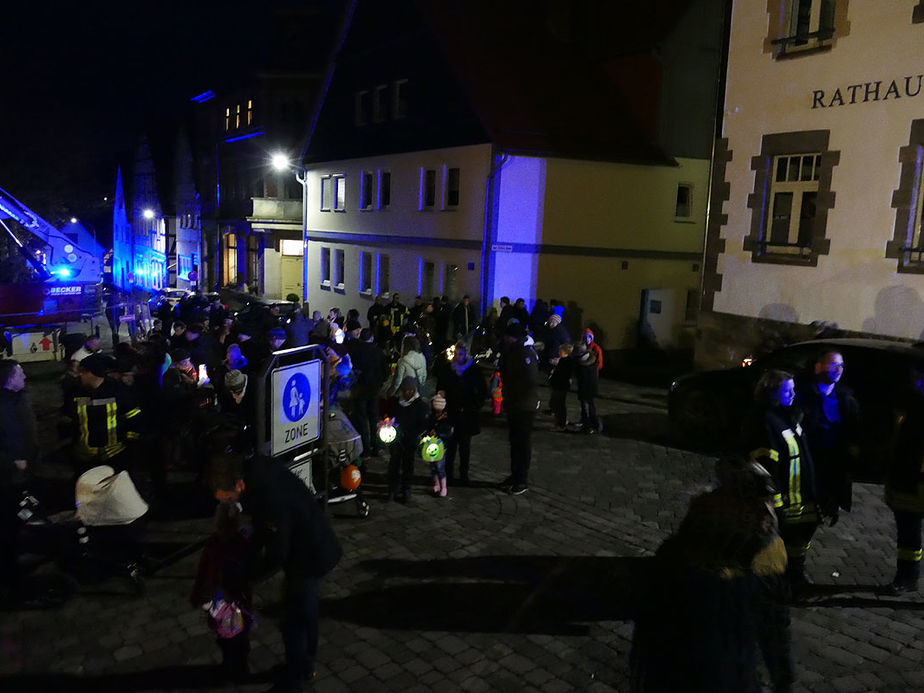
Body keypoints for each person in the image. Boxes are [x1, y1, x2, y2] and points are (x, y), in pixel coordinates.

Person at [630, 456, 792, 692]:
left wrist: (783, 674)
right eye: (754, 504)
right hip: (689, 674)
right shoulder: (685, 552)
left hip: (730, 673)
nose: (765, 513)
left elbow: (775, 622)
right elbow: (651, 623)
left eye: (766, 503)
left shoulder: (767, 553)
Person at [208, 452, 342, 692]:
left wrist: (247, 578)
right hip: (310, 545)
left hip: (310, 557)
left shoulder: (271, 499)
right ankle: (304, 665)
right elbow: (263, 533)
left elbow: (276, 553)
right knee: (306, 613)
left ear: (239, 485)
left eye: (227, 497)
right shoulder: (261, 476)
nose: (227, 503)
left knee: (294, 621)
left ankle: (294, 681)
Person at [743, 369, 820, 596]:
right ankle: (778, 584)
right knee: (778, 544)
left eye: (794, 389)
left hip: (798, 497)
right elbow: (765, 466)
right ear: (772, 392)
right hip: (782, 500)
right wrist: (774, 501)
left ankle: (796, 577)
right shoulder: (764, 421)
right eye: (788, 391)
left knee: (799, 539)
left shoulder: (786, 415)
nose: (793, 395)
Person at [190, 502, 254, 683]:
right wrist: (197, 594)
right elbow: (203, 572)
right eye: (221, 527)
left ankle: (240, 666)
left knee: (239, 638)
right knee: (225, 637)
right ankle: (230, 663)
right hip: (219, 601)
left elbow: (249, 574)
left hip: (236, 601)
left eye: (227, 528)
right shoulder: (213, 546)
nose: (224, 532)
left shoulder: (242, 545)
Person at [794, 350, 860, 524]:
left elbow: (853, 431)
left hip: (832, 463)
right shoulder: (802, 396)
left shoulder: (846, 399)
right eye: (833, 364)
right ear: (818, 367)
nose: (838, 369)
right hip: (807, 461)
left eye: (841, 365)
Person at [0, 360, 39, 605]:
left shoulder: (17, 398)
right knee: (5, 527)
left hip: (20, 476)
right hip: (5, 478)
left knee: (16, 521)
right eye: (20, 372)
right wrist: (11, 462)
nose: (24, 375)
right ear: (7, 379)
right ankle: (9, 581)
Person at [884, 364, 924, 594]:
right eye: (916, 376)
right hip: (908, 477)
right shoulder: (906, 399)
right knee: (908, 531)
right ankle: (906, 577)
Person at [436, 341, 487, 484]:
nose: (459, 356)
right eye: (457, 354)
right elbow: (440, 389)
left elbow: (482, 391)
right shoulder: (448, 370)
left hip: (467, 414)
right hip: (451, 413)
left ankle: (464, 474)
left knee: (465, 447)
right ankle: (448, 473)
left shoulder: (473, 370)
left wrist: (475, 405)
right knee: (450, 446)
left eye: (461, 354)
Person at [498, 321, 539, 495]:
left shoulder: (524, 353)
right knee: (515, 442)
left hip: (523, 406)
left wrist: (515, 395)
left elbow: (528, 381)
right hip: (515, 404)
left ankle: (521, 479)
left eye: (507, 336)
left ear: (512, 337)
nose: (504, 339)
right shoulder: (514, 351)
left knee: (522, 444)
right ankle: (515, 475)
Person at [346, 328, 386, 464]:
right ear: (372, 338)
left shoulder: (355, 351)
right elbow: (385, 370)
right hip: (374, 389)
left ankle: (366, 450)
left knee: (362, 419)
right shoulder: (378, 352)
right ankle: (377, 447)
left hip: (360, 389)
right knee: (374, 418)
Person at [388, 376, 429, 504]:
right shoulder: (396, 404)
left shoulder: (420, 405)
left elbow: (423, 424)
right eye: (406, 390)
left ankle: (406, 489)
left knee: (408, 465)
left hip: (410, 441)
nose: (408, 393)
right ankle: (393, 488)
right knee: (394, 464)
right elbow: (390, 418)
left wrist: (416, 435)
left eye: (411, 390)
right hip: (396, 439)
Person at [427, 392, 452, 498]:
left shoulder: (446, 420)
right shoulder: (431, 418)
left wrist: (437, 433)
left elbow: (448, 433)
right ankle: (436, 484)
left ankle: (444, 486)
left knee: (440, 466)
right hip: (431, 446)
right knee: (433, 467)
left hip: (442, 446)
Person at [574, 341, 600, 434]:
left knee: (587, 410)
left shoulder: (583, 366)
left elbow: (582, 378)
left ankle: (590, 427)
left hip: (586, 390)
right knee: (590, 407)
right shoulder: (591, 360)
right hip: (590, 389)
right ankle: (593, 425)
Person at [548, 343, 574, 432]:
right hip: (559, 386)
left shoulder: (565, 361)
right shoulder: (564, 361)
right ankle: (560, 422)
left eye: (560, 350)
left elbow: (561, 375)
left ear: (565, 352)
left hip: (560, 386)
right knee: (557, 404)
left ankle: (560, 424)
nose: (558, 352)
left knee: (558, 405)